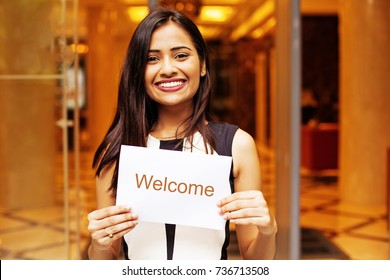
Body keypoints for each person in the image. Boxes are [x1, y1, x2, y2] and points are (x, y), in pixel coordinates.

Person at [87, 7, 277, 260]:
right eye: (151, 59)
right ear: (138, 72)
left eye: (181, 55)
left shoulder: (236, 145)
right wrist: (98, 245)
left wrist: (268, 230)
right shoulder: (117, 152)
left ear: (202, 65)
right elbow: (106, 260)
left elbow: (255, 262)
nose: (167, 69)